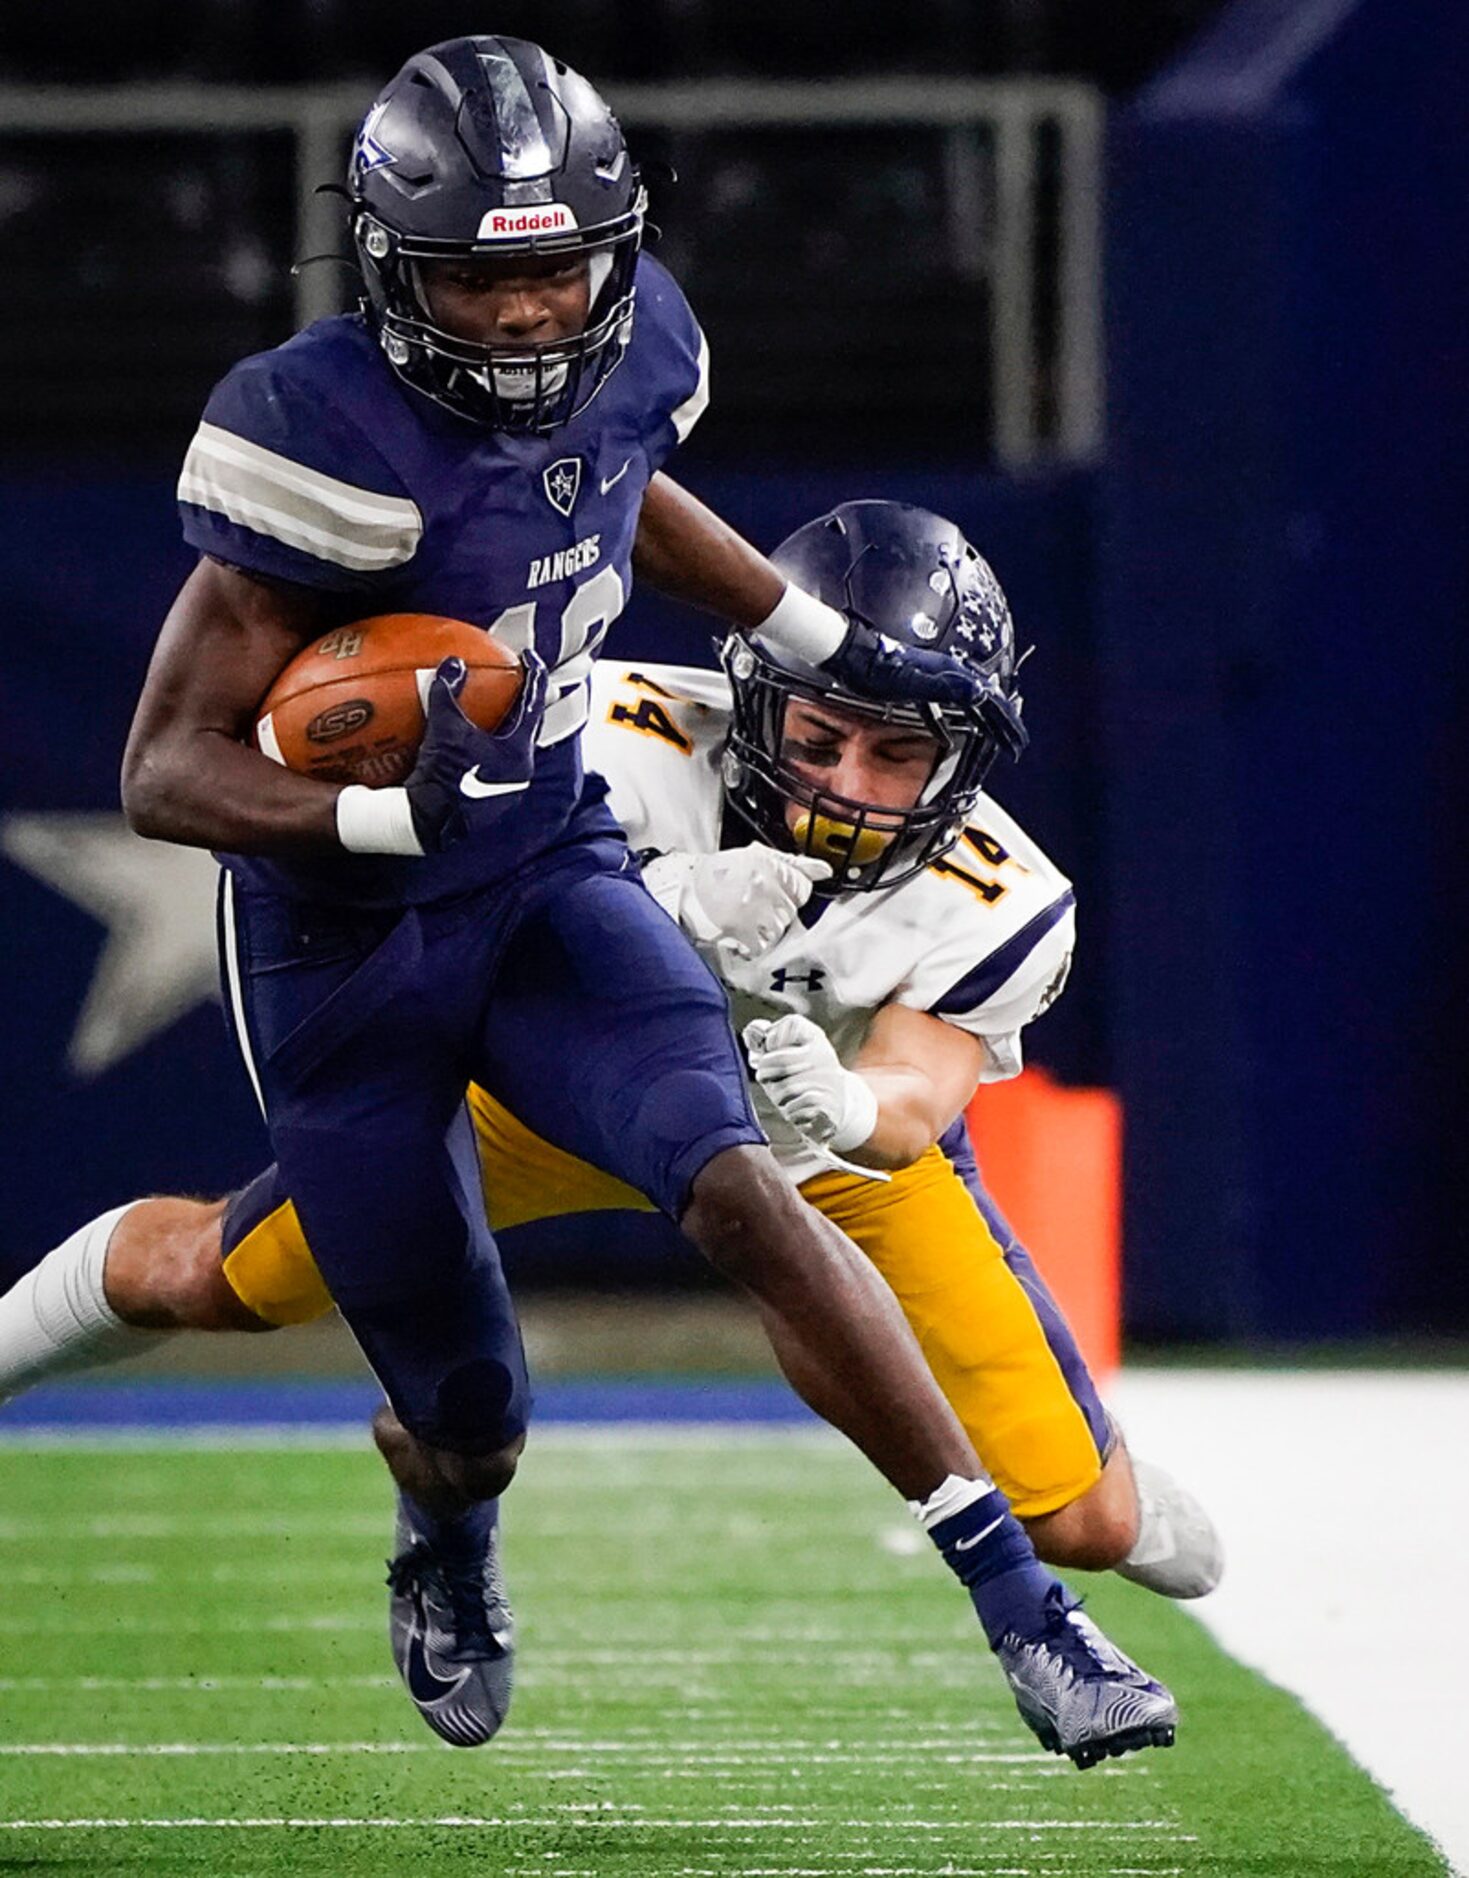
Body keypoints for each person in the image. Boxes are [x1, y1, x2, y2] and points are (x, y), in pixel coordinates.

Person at [9, 40, 1178, 1767]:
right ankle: (448, 1526)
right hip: (349, 939)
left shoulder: (633, 348)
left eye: (562, 269)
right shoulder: (313, 436)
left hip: (544, 863)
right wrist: (381, 815)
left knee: (741, 1183)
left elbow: (624, 477)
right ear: (399, 267)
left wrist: (807, 637)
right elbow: (163, 773)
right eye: (485, 278)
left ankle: (1026, 1608)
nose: (532, 316)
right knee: (470, 1406)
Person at [1, 499, 1220, 1603]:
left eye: (899, 754)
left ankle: (1092, 1461)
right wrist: (639, 897)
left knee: (1082, 1523)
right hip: (548, 1095)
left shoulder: (998, 893)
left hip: (811, 1150)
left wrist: (849, 1104)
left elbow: (918, 1091)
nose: (847, 783)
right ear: (755, 692)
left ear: (964, 761)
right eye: (821, 736)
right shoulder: (595, 730)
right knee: (222, 1277)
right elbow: (437, 904)